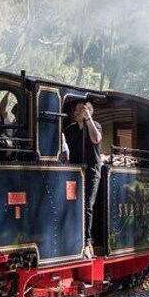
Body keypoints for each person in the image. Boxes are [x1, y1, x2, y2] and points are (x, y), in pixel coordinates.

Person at [62, 101, 103, 258]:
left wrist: (88, 120)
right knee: (71, 205)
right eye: (76, 109)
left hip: (92, 172)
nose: (77, 112)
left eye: (81, 109)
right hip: (74, 173)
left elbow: (96, 139)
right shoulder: (70, 130)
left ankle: (87, 242)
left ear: (89, 112)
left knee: (87, 205)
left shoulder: (95, 126)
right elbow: (63, 147)